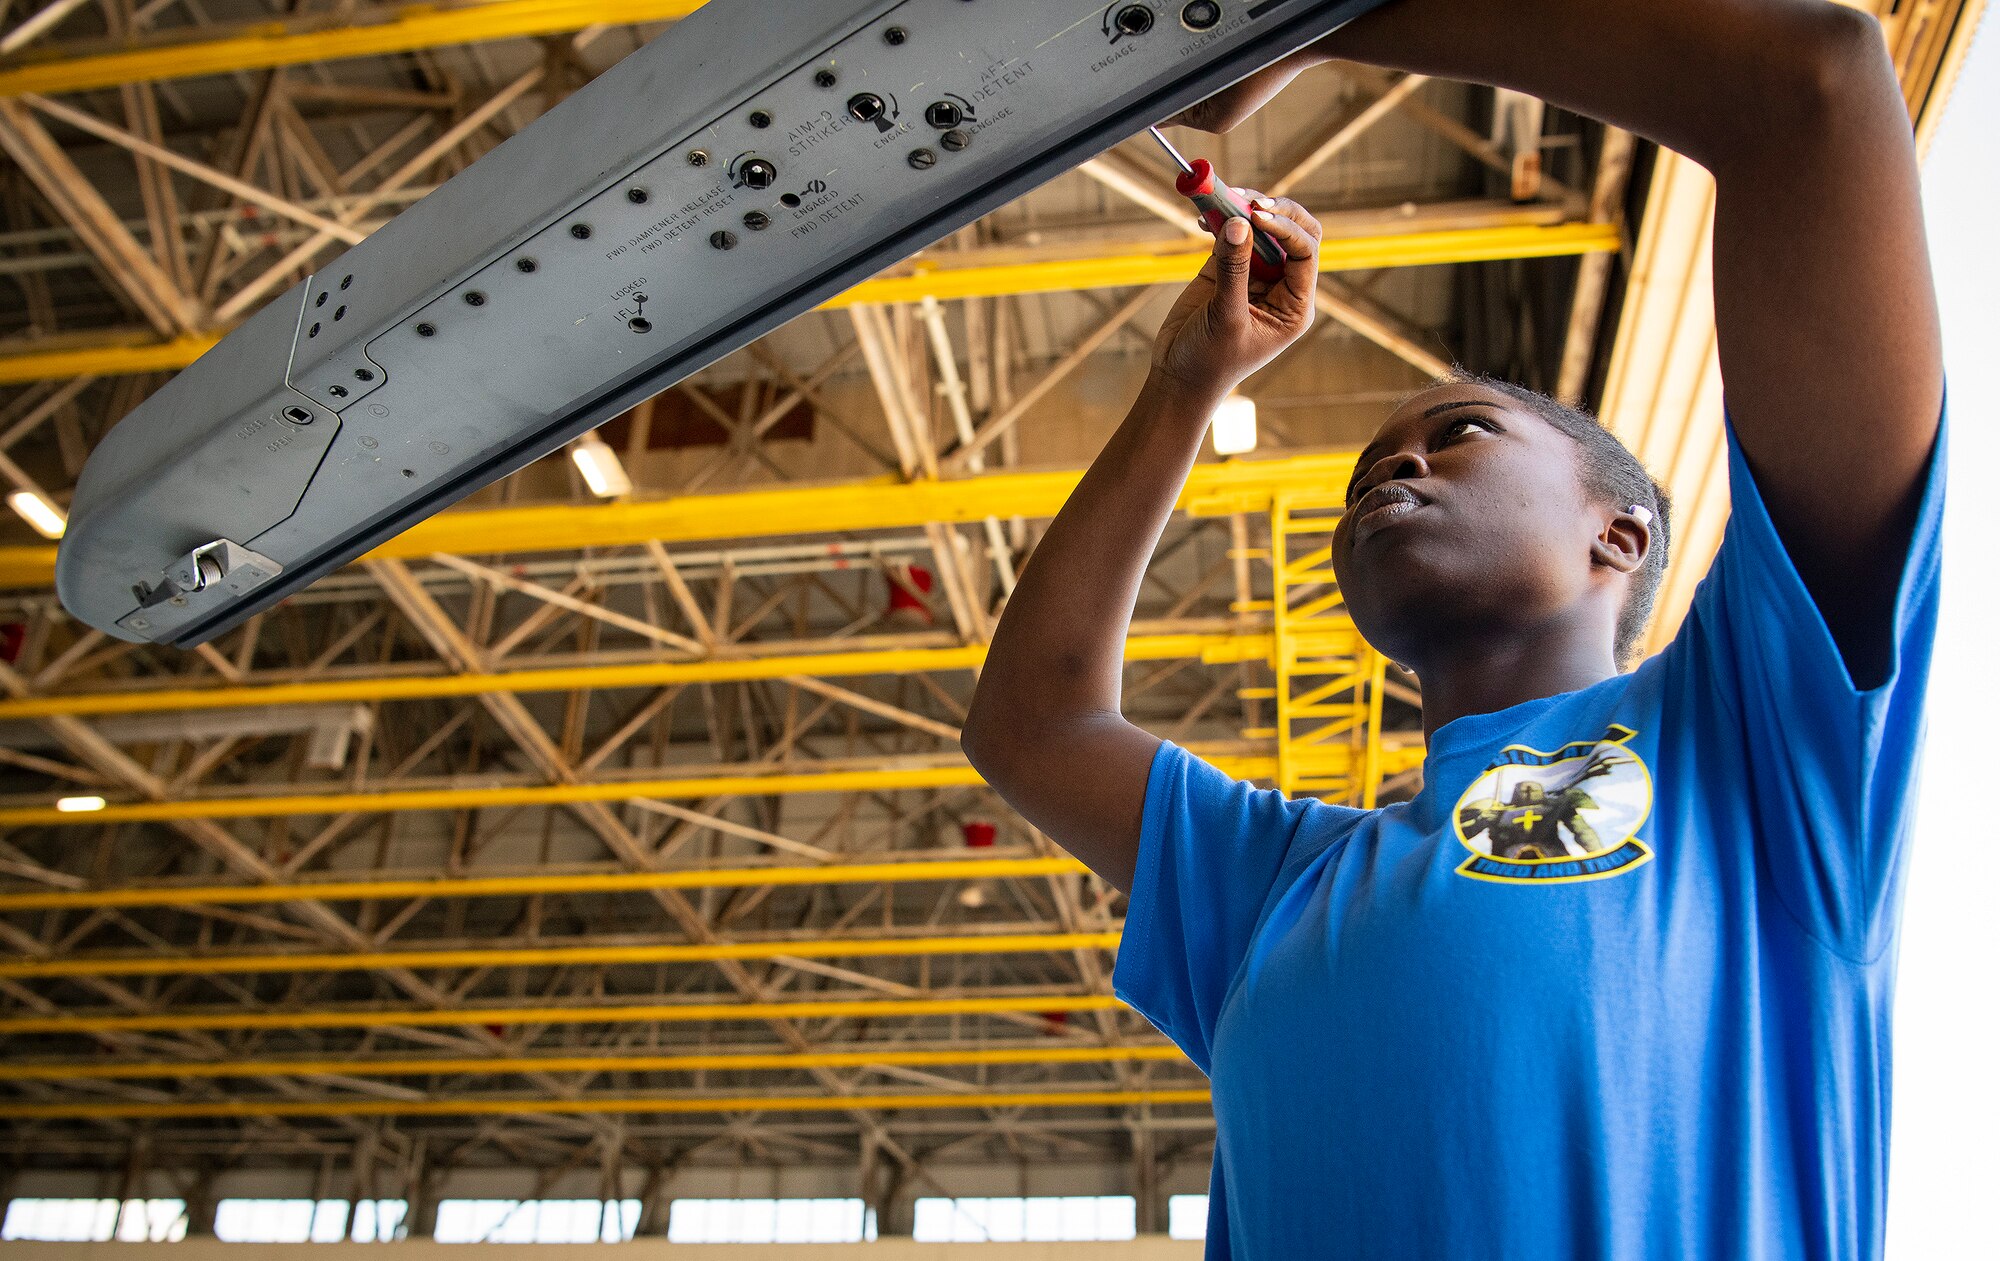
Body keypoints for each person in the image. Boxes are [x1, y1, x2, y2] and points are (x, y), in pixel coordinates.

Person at [959, 0, 1945, 1256]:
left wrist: (1314, 24)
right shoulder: (1281, 885)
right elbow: (1032, 725)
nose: (1392, 466)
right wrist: (1182, 384)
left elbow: (1813, 90)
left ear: (1619, 534)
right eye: (1368, 468)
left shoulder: (1753, 742)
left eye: (1459, 432)